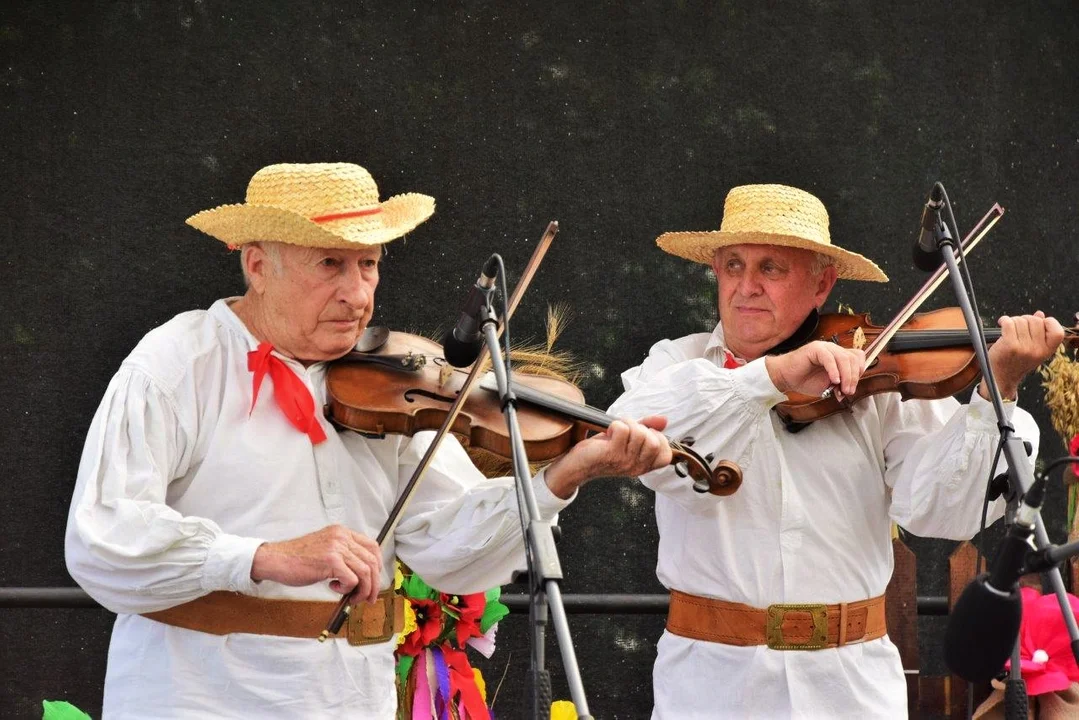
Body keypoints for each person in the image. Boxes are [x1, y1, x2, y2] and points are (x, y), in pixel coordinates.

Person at [64, 162, 673, 719]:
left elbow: (449, 552)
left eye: (369, 264)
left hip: (353, 699)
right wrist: (262, 556)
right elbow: (103, 540)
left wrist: (559, 480)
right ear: (256, 264)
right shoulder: (177, 363)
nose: (357, 295)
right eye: (330, 264)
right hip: (200, 700)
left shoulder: (387, 383)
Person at [607, 183, 1064, 719]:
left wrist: (997, 391)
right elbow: (631, 436)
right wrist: (770, 377)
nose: (746, 287)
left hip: (849, 690)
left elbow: (944, 509)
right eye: (733, 265)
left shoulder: (873, 374)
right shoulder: (676, 363)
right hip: (712, 689)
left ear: (822, 283)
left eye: (771, 268)